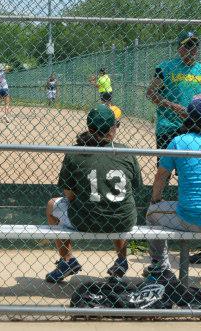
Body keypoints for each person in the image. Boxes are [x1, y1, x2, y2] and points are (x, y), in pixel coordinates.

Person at [44, 104, 141, 283]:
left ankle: (67, 261)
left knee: (52, 205)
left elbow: (69, 194)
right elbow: (135, 187)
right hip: (123, 220)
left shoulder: (75, 152)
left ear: (89, 128)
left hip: (86, 220)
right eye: (116, 125)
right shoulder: (126, 151)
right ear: (112, 130)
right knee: (117, 204)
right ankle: (121, 260)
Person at [146, 98, 201, 282]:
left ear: (189, 118)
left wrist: (156, 199)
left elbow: (161, 175)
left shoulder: (179, 141)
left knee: (151, 214)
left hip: (189, 218)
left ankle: (160, 266)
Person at [146, 31, 201, 151]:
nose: (193, 48)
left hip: (195, 128)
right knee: (164, 167)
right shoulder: (165, 68)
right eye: (188, 45)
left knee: (187, 168)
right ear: (179, 48)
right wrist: (173, 106)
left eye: (195, 45)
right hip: (169, 127)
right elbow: (150, 93)